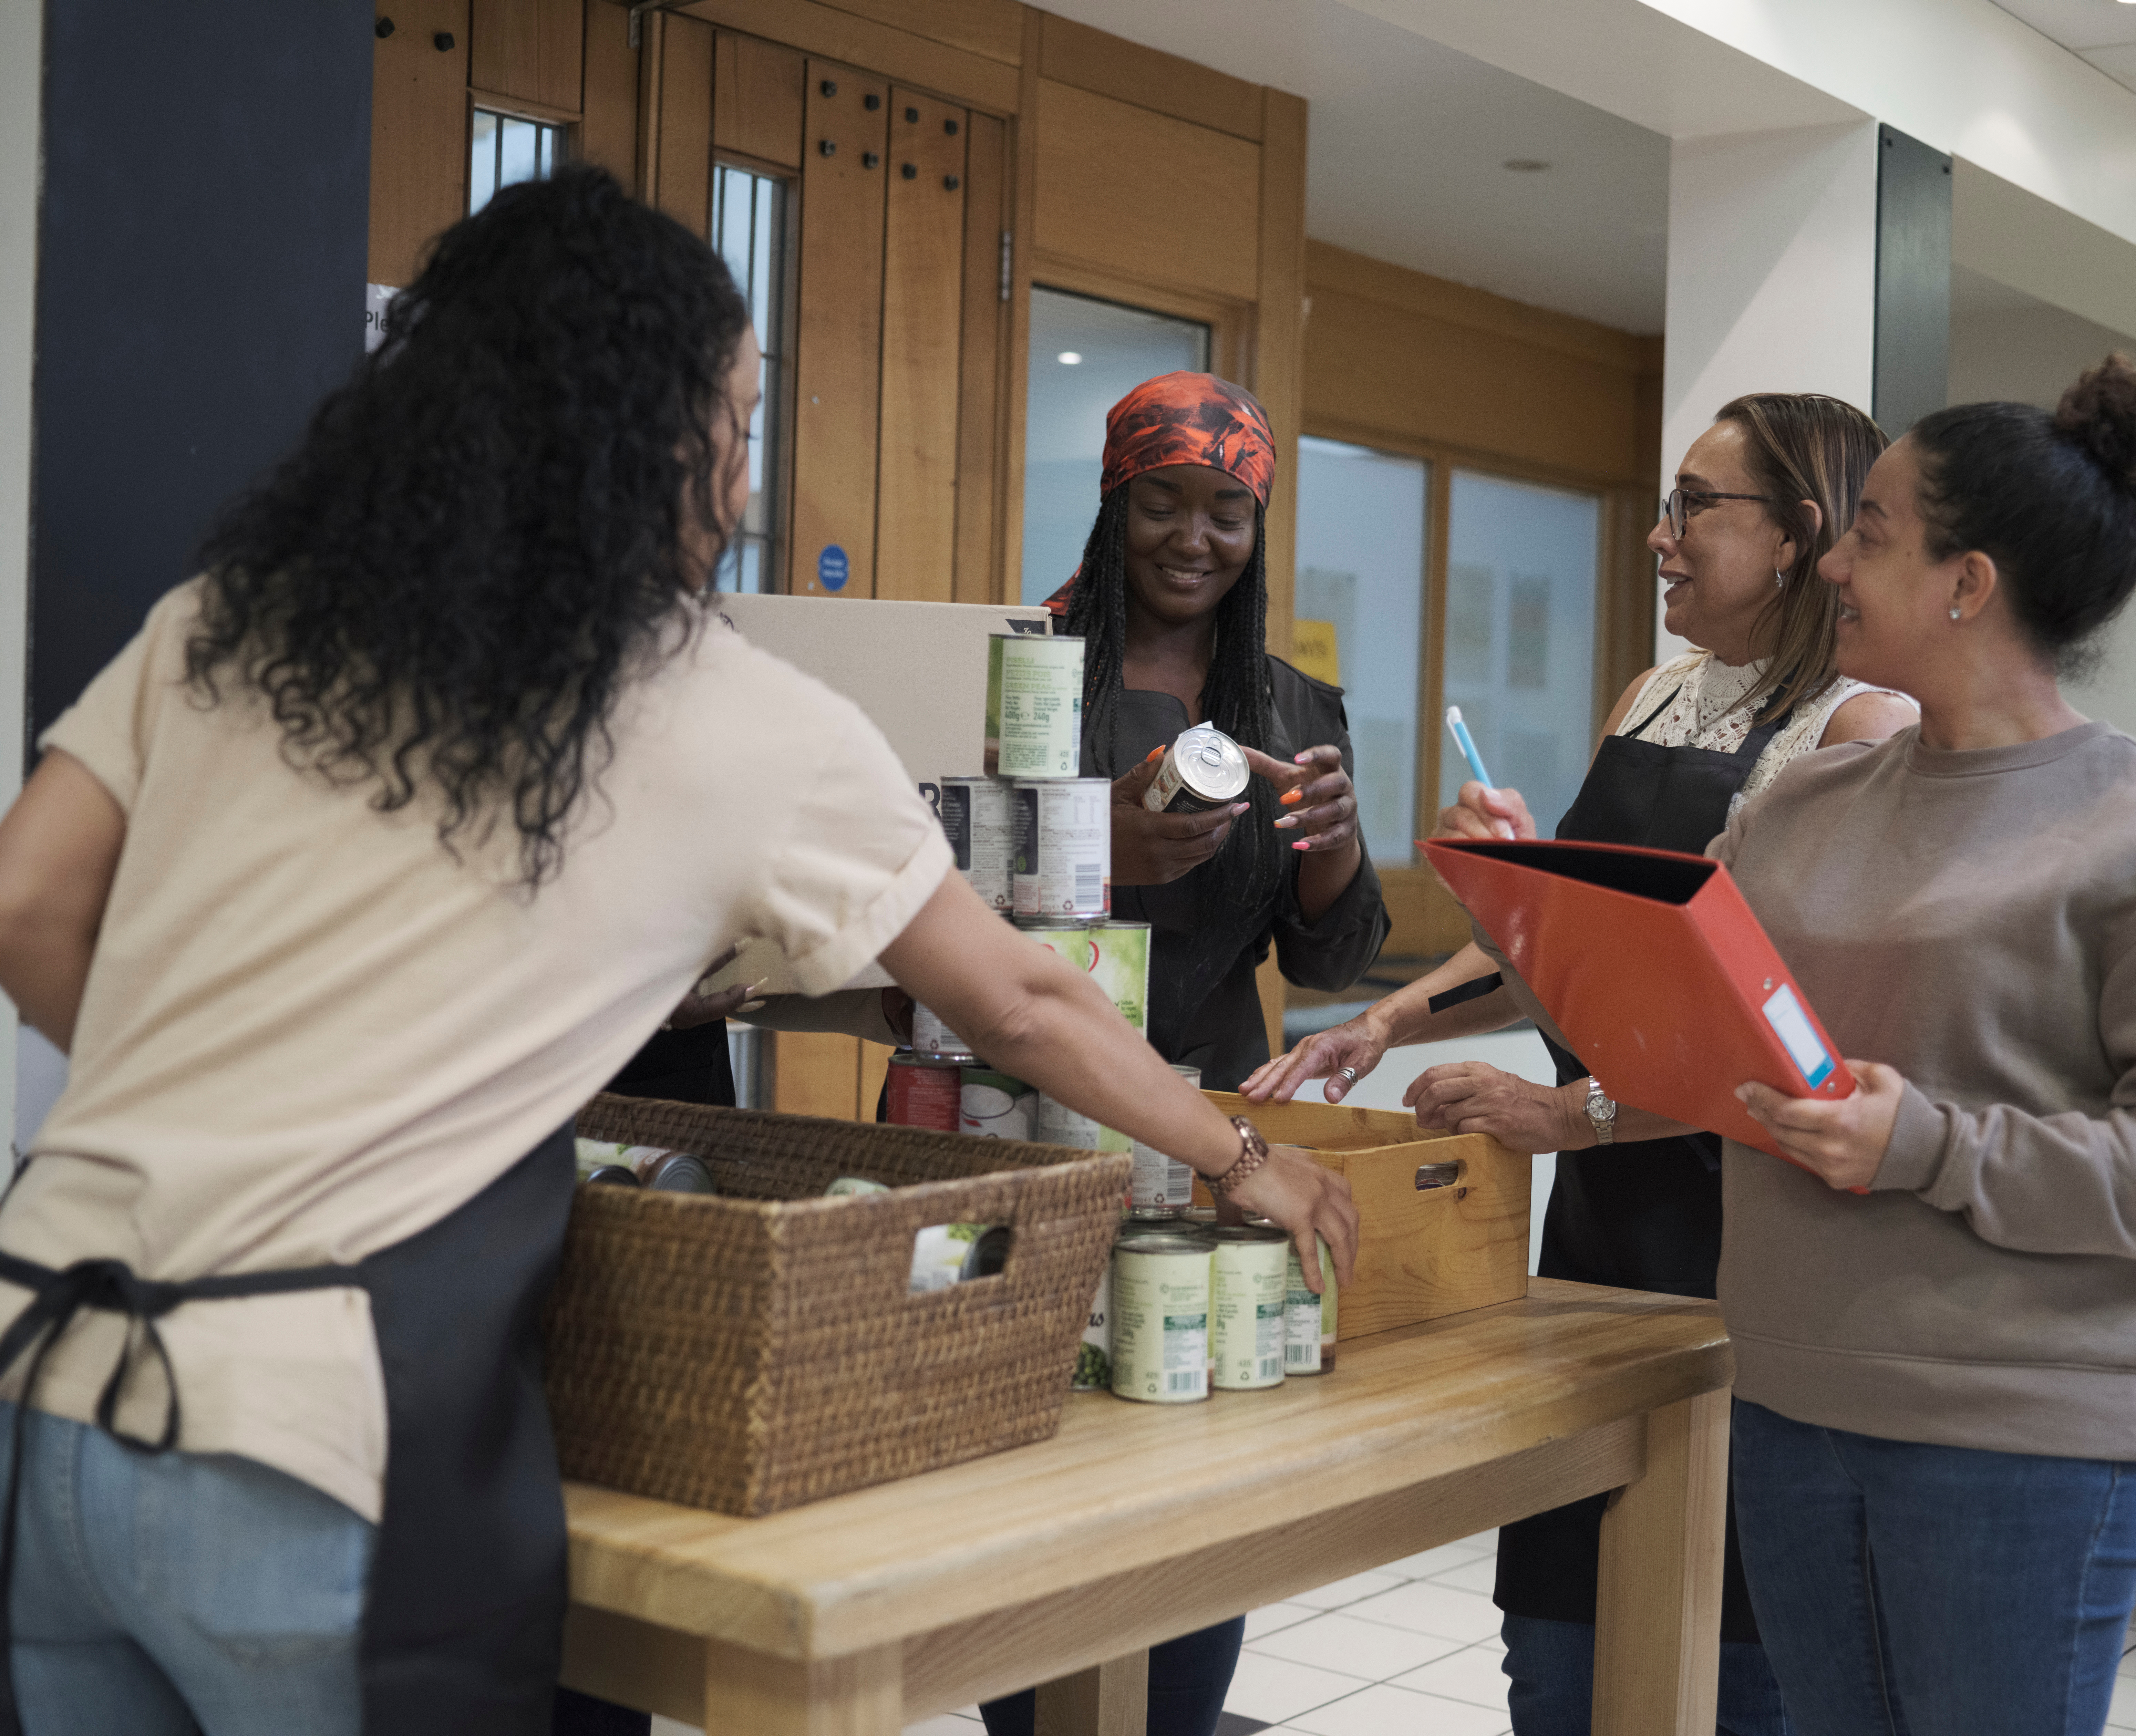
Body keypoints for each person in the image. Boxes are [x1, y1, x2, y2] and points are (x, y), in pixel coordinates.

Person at [0, 166, 1355, 1736]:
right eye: (741, 418)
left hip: (49, 1381)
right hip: (319, 1433)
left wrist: (223, 1098)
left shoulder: (238, 618)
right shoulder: (721, 709)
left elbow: (31, 913)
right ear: (670, 436)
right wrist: (1240, 1152)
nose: (741, 463)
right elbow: (1027, 997)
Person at [1245, 393, 1918, 1736]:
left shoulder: (1863, 730)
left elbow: (1807, 1042)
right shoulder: (1655, 692)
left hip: (1753, 1245)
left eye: (1692, 508)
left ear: (1794, 535)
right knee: (1556, 1639)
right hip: (1602, 1235)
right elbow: (1581, 950)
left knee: (1722, 1657)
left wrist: (1574, 1109)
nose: (1660, 538)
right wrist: (1393, 1018)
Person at [1717, 357, 2136, 1734]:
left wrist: (1926, 1144)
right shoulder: (1804, 807)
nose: (1834, 559)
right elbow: (1712, 1011)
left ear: (1968, 586)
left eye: (1874, 532)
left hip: (2020, 1439)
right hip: (1789, 1394)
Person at [977, 375, 1391, 1736]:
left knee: (1197, 1481)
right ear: (1114, 499)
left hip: (1209, 1150)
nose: (1194, 537)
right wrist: (1097, 844)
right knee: (1016, 1494)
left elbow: (1330, 964)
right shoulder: (1024, 668)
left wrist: (1330, 851)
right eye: (1162, 500)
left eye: (1230, 511)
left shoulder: (1287, 704)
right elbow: (927, 902)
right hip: (1013, 1130)